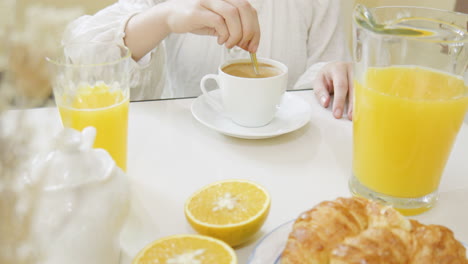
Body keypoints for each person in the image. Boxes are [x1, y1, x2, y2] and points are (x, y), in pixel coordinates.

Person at [63, 0, 353, 119]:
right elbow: (83, 56)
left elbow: (325, 75)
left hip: (287, 157)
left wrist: (331, 74)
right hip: (180, 153)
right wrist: (166, 16)